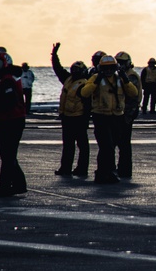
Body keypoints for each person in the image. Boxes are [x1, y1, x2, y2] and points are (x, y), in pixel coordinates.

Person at [80, 55, 138, 184]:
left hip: (117, 116)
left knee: (110, 146)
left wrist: (126, 79)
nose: (108, 71)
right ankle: (105, 172)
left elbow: (134, 93)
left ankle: (104, 172)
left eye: (111, 68)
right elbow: (85, 92)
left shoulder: (120, 79)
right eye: (106, 68)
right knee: (106, 146)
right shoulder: (96, 78)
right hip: (101, 116)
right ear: (101, 68)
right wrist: (95, 81)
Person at [0, 51, 28, 197]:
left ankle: (5, 186)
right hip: (10, 120)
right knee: (9, 155)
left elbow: (8, 101)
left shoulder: (7, 80)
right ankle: (19, 184)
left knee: (7, 155)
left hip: (10, 121)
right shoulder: (7, 79)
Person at [50, 43, 90, 177]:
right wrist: (54, 55)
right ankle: (65, 168)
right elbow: (58, 69)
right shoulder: (68, 79)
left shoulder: (85, 84)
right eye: (74, 70)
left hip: (79, 118)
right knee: (68, 145)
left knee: (82, 146)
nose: (75, 72)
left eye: (77, 70)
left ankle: (82, 169)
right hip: (67, 117)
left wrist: (85, 120)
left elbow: (88, 105)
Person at [115, 51, 142, 180]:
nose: (119, 65)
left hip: (127, 113)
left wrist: (128, 115)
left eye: (121, 62)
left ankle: (124, 170)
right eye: (117, 62)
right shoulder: (120, 75)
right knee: (118, 141)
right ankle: (120, 168)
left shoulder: (131, 76)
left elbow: (133, 96)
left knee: (124, 143)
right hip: (120, 112)